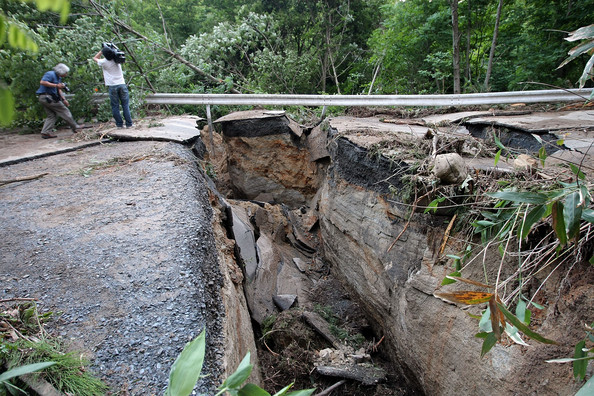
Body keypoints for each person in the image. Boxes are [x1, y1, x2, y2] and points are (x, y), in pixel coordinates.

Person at [36, 63, 82, 139]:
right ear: (61, 71)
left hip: (46, 98)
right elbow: (42, 82)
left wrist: (64, 99)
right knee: (64, 111)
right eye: (66, 72)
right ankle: (76, 127)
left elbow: (58, 89)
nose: (66, 74)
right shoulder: (50, 74)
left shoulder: (58, 78)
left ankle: (46, 132)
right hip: (47, 97)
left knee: (52, 115)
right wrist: (56, 85)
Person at [93, 45, 133, 128]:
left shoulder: (104, 62)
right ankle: (129, 124)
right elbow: (118, 51)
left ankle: (119, 124)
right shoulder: (117, 59)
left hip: (112, 86)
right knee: (125, 105)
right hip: (122, 84)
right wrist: (111, 47)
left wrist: (102, 50)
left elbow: (95, 58)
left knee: (115, 106)